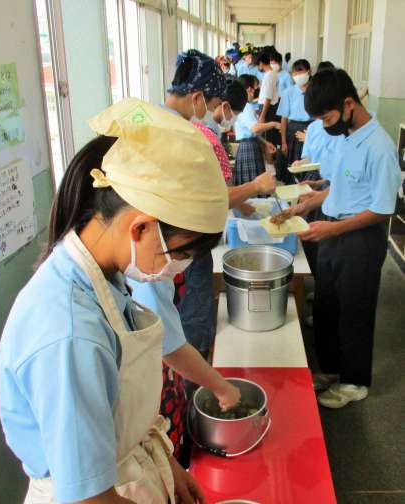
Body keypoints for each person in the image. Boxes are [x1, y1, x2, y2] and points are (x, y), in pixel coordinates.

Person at [0, 97, 232, 503]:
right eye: (180, 253)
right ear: (140, 228)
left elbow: (119, 408)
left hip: (128, 469)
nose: (179, 267)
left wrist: (167, 464)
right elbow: (89, 497)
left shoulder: (104, 279)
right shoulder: (70, 335)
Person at [132, 51, 275, 459]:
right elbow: (202, 201)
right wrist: (219, 387)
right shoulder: (177, 138)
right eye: (212, 104)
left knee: (174, 339)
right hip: (162, 261)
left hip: (163, 258)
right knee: (181, 336)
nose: (214, 114)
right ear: (197, 97)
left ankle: (185, 418)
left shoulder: (155, 125)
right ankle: (189, 419)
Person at [291, 69, 401, 408]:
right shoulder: (346, 136)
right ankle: (331, 369)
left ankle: (354, 382)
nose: (326, 126)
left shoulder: (379, 147)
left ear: (349, 104)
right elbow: (344, 185)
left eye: (328, 118)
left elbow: (382, 208)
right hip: (333, 230)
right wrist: (315, 199)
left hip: (361, 239)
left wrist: (333, 229)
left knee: (355, 310)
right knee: (326, 304)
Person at [233, 74, 281, 185]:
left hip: (249, 145)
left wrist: (265, 142)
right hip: (249, 147)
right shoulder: (246, 106)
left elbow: (251, 132)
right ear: (249, 89)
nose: (255, 93)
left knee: (250, 184)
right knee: (254, 185)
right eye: (255, 89)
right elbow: (255, 128)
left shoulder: (242, 106)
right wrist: (273, 124)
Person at [277, 59, 313, 180]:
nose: (298, 75)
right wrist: (283, 142)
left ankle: (309, 183)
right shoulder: (288, 92)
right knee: (293, 163)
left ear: (309, 72)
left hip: (311, 129)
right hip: (293, 130)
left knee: (309, 161)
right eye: (295, 73)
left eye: (301, 72)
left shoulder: (316, 91)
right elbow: (284, 118)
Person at [256, 51, 280, 147]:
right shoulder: (273, 73)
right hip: (270, 108)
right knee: (270, 136)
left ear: (261, 63)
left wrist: (262, 115)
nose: (258, 68)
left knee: (267, 138)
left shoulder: (269, 75)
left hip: (268, 109)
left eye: (257, 65)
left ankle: (270, 156)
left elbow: (268, 98)